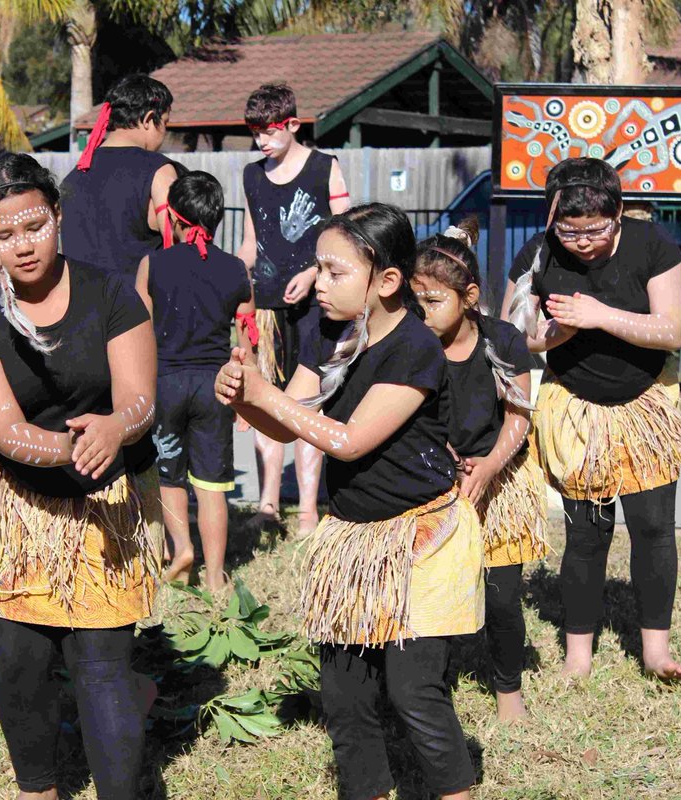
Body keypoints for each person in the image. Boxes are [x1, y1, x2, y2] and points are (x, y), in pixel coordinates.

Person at [216, 204, 482, 800]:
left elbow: (350, 438)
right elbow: (291, 425)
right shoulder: (328, 331)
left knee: (415, 692)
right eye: (318, 268)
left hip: (420, 540)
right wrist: (244, 397)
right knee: (344, 696)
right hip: (355, 540)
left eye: (335, 271)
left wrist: (265, 396)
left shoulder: (415, 347)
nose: (319, 282)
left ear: (386, 281)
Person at [0, 151, 162, 799]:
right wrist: (70, 447)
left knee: (101, 667)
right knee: (19, 666)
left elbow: (140, 397)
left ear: (57, 215)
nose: (22, 246)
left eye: (34, 227)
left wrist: (115, 428)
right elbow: (4, 431)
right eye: (2, 235)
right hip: (19, 511)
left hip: (104, 508)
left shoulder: (112, 292)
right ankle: (38, 790)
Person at [508, 157, 681, 681]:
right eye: (571, 230)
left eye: (598, 229)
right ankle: (578, 658)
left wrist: (598, 316)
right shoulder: (538, 253)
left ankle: (656, 651)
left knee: (654, 527)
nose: (584, 241)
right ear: (552, 218)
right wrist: (558, 334)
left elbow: (673, 330)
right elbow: (513, 335)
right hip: (576, 407)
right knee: (587, 534)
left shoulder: (652, 245)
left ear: (618, 213)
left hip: (644, 404)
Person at [413, 220, 548, 723]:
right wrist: (445, 457)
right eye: (415, 300)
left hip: (499, 477)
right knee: (435, 596)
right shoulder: (414, 343)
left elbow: (519, 413)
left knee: (503, 596)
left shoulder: (505, 340)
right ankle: (432, 683)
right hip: (433, 480)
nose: (420, 313)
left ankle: (507, 687)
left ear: (469, 297)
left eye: (432, 301)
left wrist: (489, 465)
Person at [237, 83, 351, 534]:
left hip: (317, 307)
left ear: (293, 125)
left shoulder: (326, 168)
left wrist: (312, 271)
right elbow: (249, 244)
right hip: (265, 310)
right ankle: (267, 505)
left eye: (269, 131)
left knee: (309, 407)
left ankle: (307, 509)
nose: (262, 141)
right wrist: (228, 281)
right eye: (255, 132)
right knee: (267, 404)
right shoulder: (250, 175)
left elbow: (346, 241)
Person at [134, 170, 255, 592]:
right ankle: (217, 577)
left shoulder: (152, 264)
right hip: (216, 387)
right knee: (212, 486)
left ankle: (182, 550)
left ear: (177, 219)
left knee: (169, 478)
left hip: (165, 383)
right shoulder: (236, 270)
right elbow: (247, 342)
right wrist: (247, 403)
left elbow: (140, 334)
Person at [59, 74, 178, 280]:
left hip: (80, 307)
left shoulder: (73, 178)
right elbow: (179, 248)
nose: (164, 133)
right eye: (165, 123)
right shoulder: (158, 172)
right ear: (149, 119)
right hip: (139, 308)